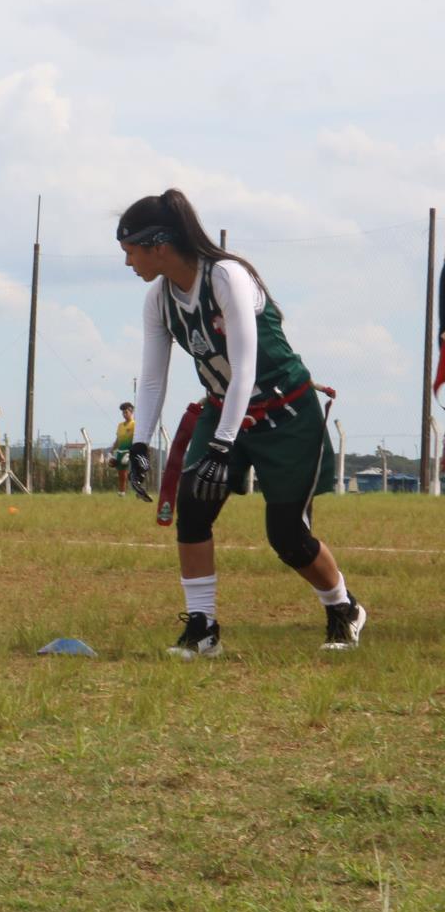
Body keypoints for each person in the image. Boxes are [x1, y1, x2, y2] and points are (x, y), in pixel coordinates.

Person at [119, 189, 363, 656]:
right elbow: (152, 380)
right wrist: (140, 443)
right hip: (222, 408)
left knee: (287, 536)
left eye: (131, 250)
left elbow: (245, 366)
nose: (128, 261)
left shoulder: (227, 275)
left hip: (285, 413)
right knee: (192, 507)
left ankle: (343, 607)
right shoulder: (159, 299)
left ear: (159, 244)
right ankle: (202, 628)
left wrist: (220, 446)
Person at [109, 402, 136, 495]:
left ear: (131, 412)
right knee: (121, 473)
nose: (124, 414)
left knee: (133, 473)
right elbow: (118, 439)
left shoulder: (134, 425)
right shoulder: (120, 425)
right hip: (120, 451)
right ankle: (121, 492)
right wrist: (112, 449)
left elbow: (136, 439)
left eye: (126, 412)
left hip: (129, 452)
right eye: (123, 413)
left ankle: (138, 491)